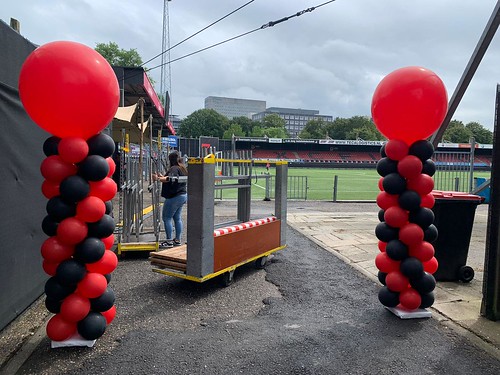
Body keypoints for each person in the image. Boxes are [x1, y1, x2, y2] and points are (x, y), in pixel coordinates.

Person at [153, 151, 188, 248]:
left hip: (174, 197)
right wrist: (161, 177)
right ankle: (177, 239)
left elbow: (170, 178)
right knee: (177, 218)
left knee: (166, 218)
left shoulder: (174, 168)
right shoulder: (182, 168)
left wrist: (158, 179)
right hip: (182, 195)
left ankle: (169, 241)